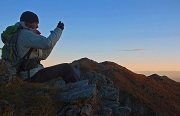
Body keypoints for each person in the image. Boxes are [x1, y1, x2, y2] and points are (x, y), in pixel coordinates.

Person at [15, 11, 79, 83]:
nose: (37, 26)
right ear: (29, 23)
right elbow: (48, 43)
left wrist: (52, 41)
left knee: (65, 68)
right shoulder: (25, 34)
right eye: (36, 23)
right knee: (66, 68)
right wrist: (58, 30)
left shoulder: (22, 34)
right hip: (32, 76)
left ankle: (76, 86)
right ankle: (78, 87)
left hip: (30, 73)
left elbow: (43, 56)